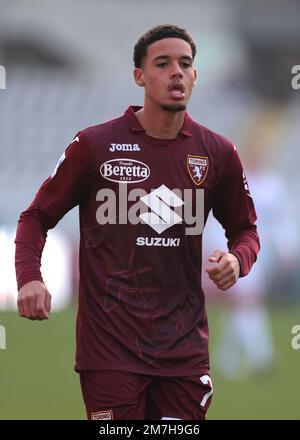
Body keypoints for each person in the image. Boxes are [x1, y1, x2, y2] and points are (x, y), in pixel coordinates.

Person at [15, 24, 260, 420]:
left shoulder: (217, 152)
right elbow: (35, 217)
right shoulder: (94, 146)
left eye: (185, 64)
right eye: (162, 64)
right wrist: (29, 277)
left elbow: (246, 230)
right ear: (139, 77)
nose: (176, 72)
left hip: (184, 353)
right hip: (110, 352)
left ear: (195, 76)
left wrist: (238, 259)